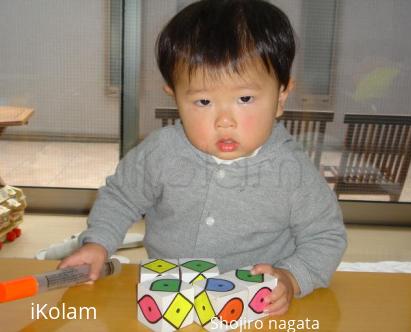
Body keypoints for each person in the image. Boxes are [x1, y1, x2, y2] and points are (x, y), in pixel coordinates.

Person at [60, 0, 347, 316]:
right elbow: (120, 198)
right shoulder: (162, 152)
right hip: (170, 295)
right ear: (175, 97)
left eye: (245, 98)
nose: (225, 120)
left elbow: (325, 236)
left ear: (281, 97)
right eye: (204, 101)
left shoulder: (291, 171)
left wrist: (292, 278)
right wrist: (97, 243)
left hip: (254, 305)